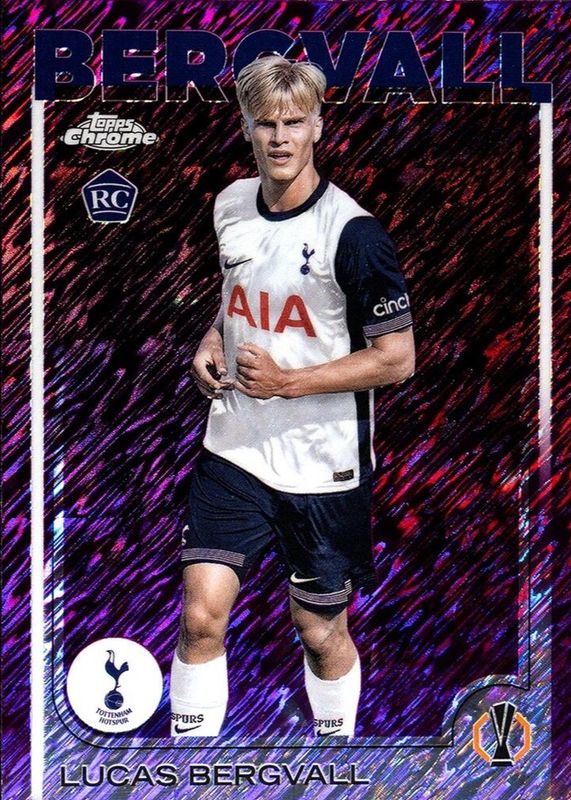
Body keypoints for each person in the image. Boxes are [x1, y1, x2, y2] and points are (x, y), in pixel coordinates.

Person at [170, 55, 415, 739]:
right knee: (200, 618)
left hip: (321, 466)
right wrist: (212, 340)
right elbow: (240, 296)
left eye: (294, 123)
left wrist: (289, 383)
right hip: (235, 448)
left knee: (318, 631)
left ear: (317, 127)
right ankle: (190, 773)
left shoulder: (354, 235)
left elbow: (397, 360)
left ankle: (337, 758)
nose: (280, 138)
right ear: (246, 127)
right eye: (266, 124)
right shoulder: (230, 204)